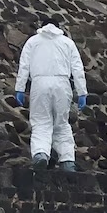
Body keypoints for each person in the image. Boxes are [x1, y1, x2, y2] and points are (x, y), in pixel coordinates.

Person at [14, 17, 88, 172]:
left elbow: (24, 66)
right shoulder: (67, 43)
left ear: (41, 27)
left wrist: (20, 88)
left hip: (39, 83)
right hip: (62, 84)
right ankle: (67, 160)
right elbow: (77, 68)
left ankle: (41, 154)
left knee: (41, 121)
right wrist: (82, 92)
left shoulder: (33, 42)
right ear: (58, 27)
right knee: (61, 123)